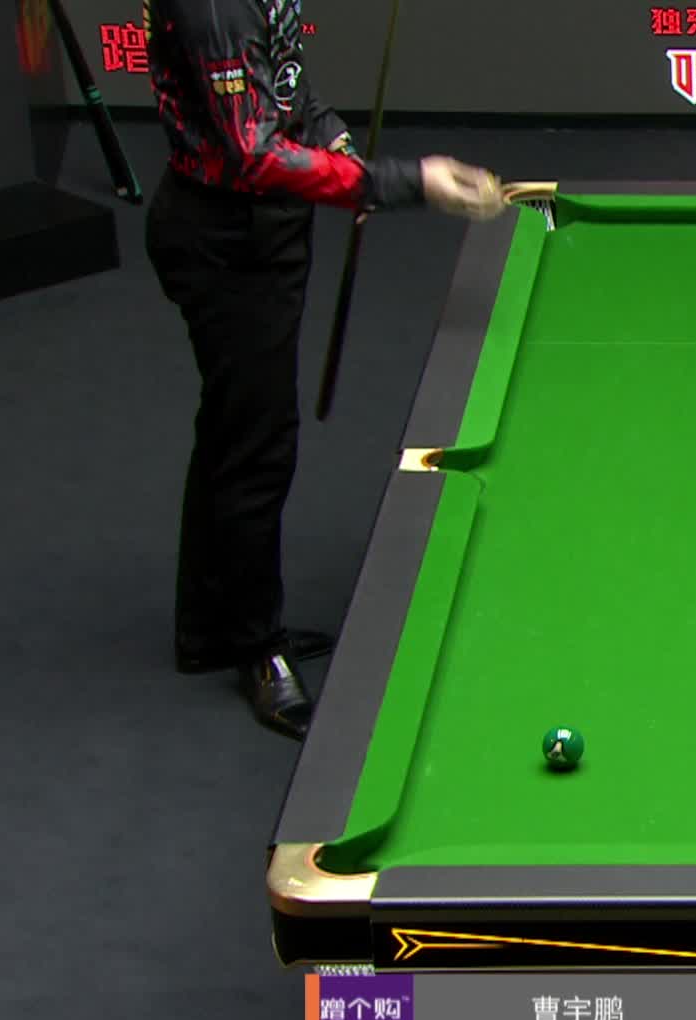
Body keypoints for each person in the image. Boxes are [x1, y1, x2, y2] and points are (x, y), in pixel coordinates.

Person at [142, 0, 506, 739]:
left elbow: (289, 93)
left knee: (232, 427)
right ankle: (256, 648)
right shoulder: (215, 6)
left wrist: (345, 155)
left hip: (263, 229)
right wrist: (397, 183)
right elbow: (252, 154)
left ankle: (207, 626)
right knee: (257, 444)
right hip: (226, 238)